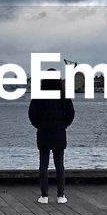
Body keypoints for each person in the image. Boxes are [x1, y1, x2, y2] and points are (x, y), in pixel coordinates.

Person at [27, 74, 75, 204]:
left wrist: (39, 125)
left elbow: (31, 114)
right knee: (59, 165)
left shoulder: (38, 95)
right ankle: (61, 195)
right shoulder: (63, 95)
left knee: (43, 164)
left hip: (43, 133)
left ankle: (44, 196)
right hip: (59, 132)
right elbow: (71, 113)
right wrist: (63, 125)